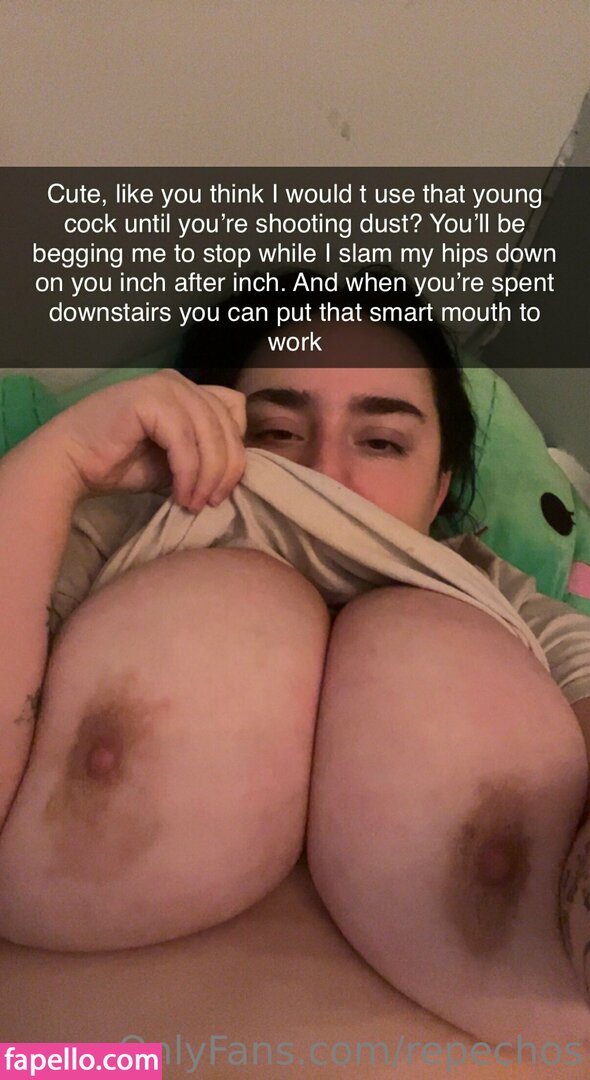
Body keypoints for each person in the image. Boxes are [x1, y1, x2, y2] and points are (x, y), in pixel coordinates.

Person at [1, 268, 590, 1047]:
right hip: (68, 1059)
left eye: (382, 442)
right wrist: (59, 465)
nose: (324, 473)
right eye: (277, 433)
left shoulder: (517, 605)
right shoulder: (109, 535)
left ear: (440, 488)